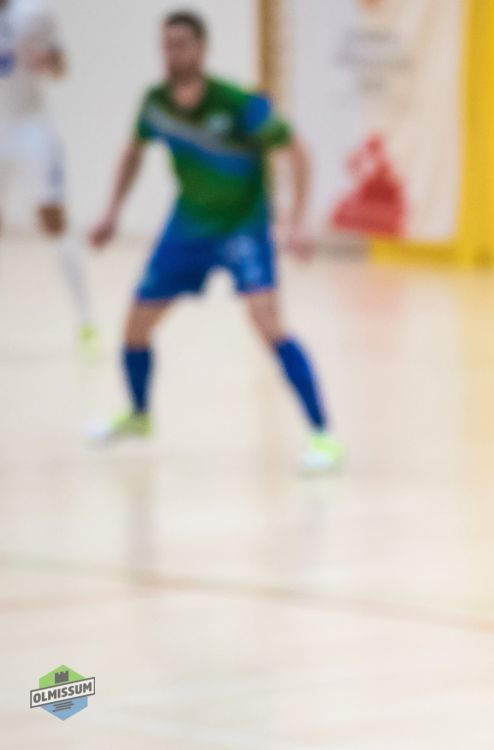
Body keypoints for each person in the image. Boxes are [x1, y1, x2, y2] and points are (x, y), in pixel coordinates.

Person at [87, 10, 343, 474]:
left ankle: (322, 434)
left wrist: (296, 221)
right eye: (166, 45)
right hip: (188, 226)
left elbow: (296, 150)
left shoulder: (239, 103)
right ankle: (139, 415)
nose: (173, 54)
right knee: (136, 326)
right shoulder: (155, 103)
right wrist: (112, 212)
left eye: (182, 44)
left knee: (268, 322)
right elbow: (133, 153)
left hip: (243, 226)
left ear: (202, 50)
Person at [0, 0, 96, 355]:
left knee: (53, 219)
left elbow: (60, 69)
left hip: (31, 126)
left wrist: (47, 61)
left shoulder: (33, 13)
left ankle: (86, 321)